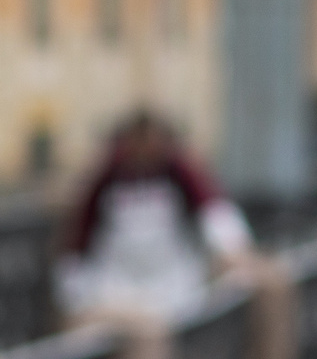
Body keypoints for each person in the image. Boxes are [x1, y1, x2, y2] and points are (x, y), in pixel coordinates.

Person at [58, 110, 253, 320]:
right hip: (114, 291)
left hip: (173, 288)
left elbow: (214, 213)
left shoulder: (179, 174)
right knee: (146, 329)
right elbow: (77, 242)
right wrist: (75, 294)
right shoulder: (106, 179)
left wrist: (232, 248)